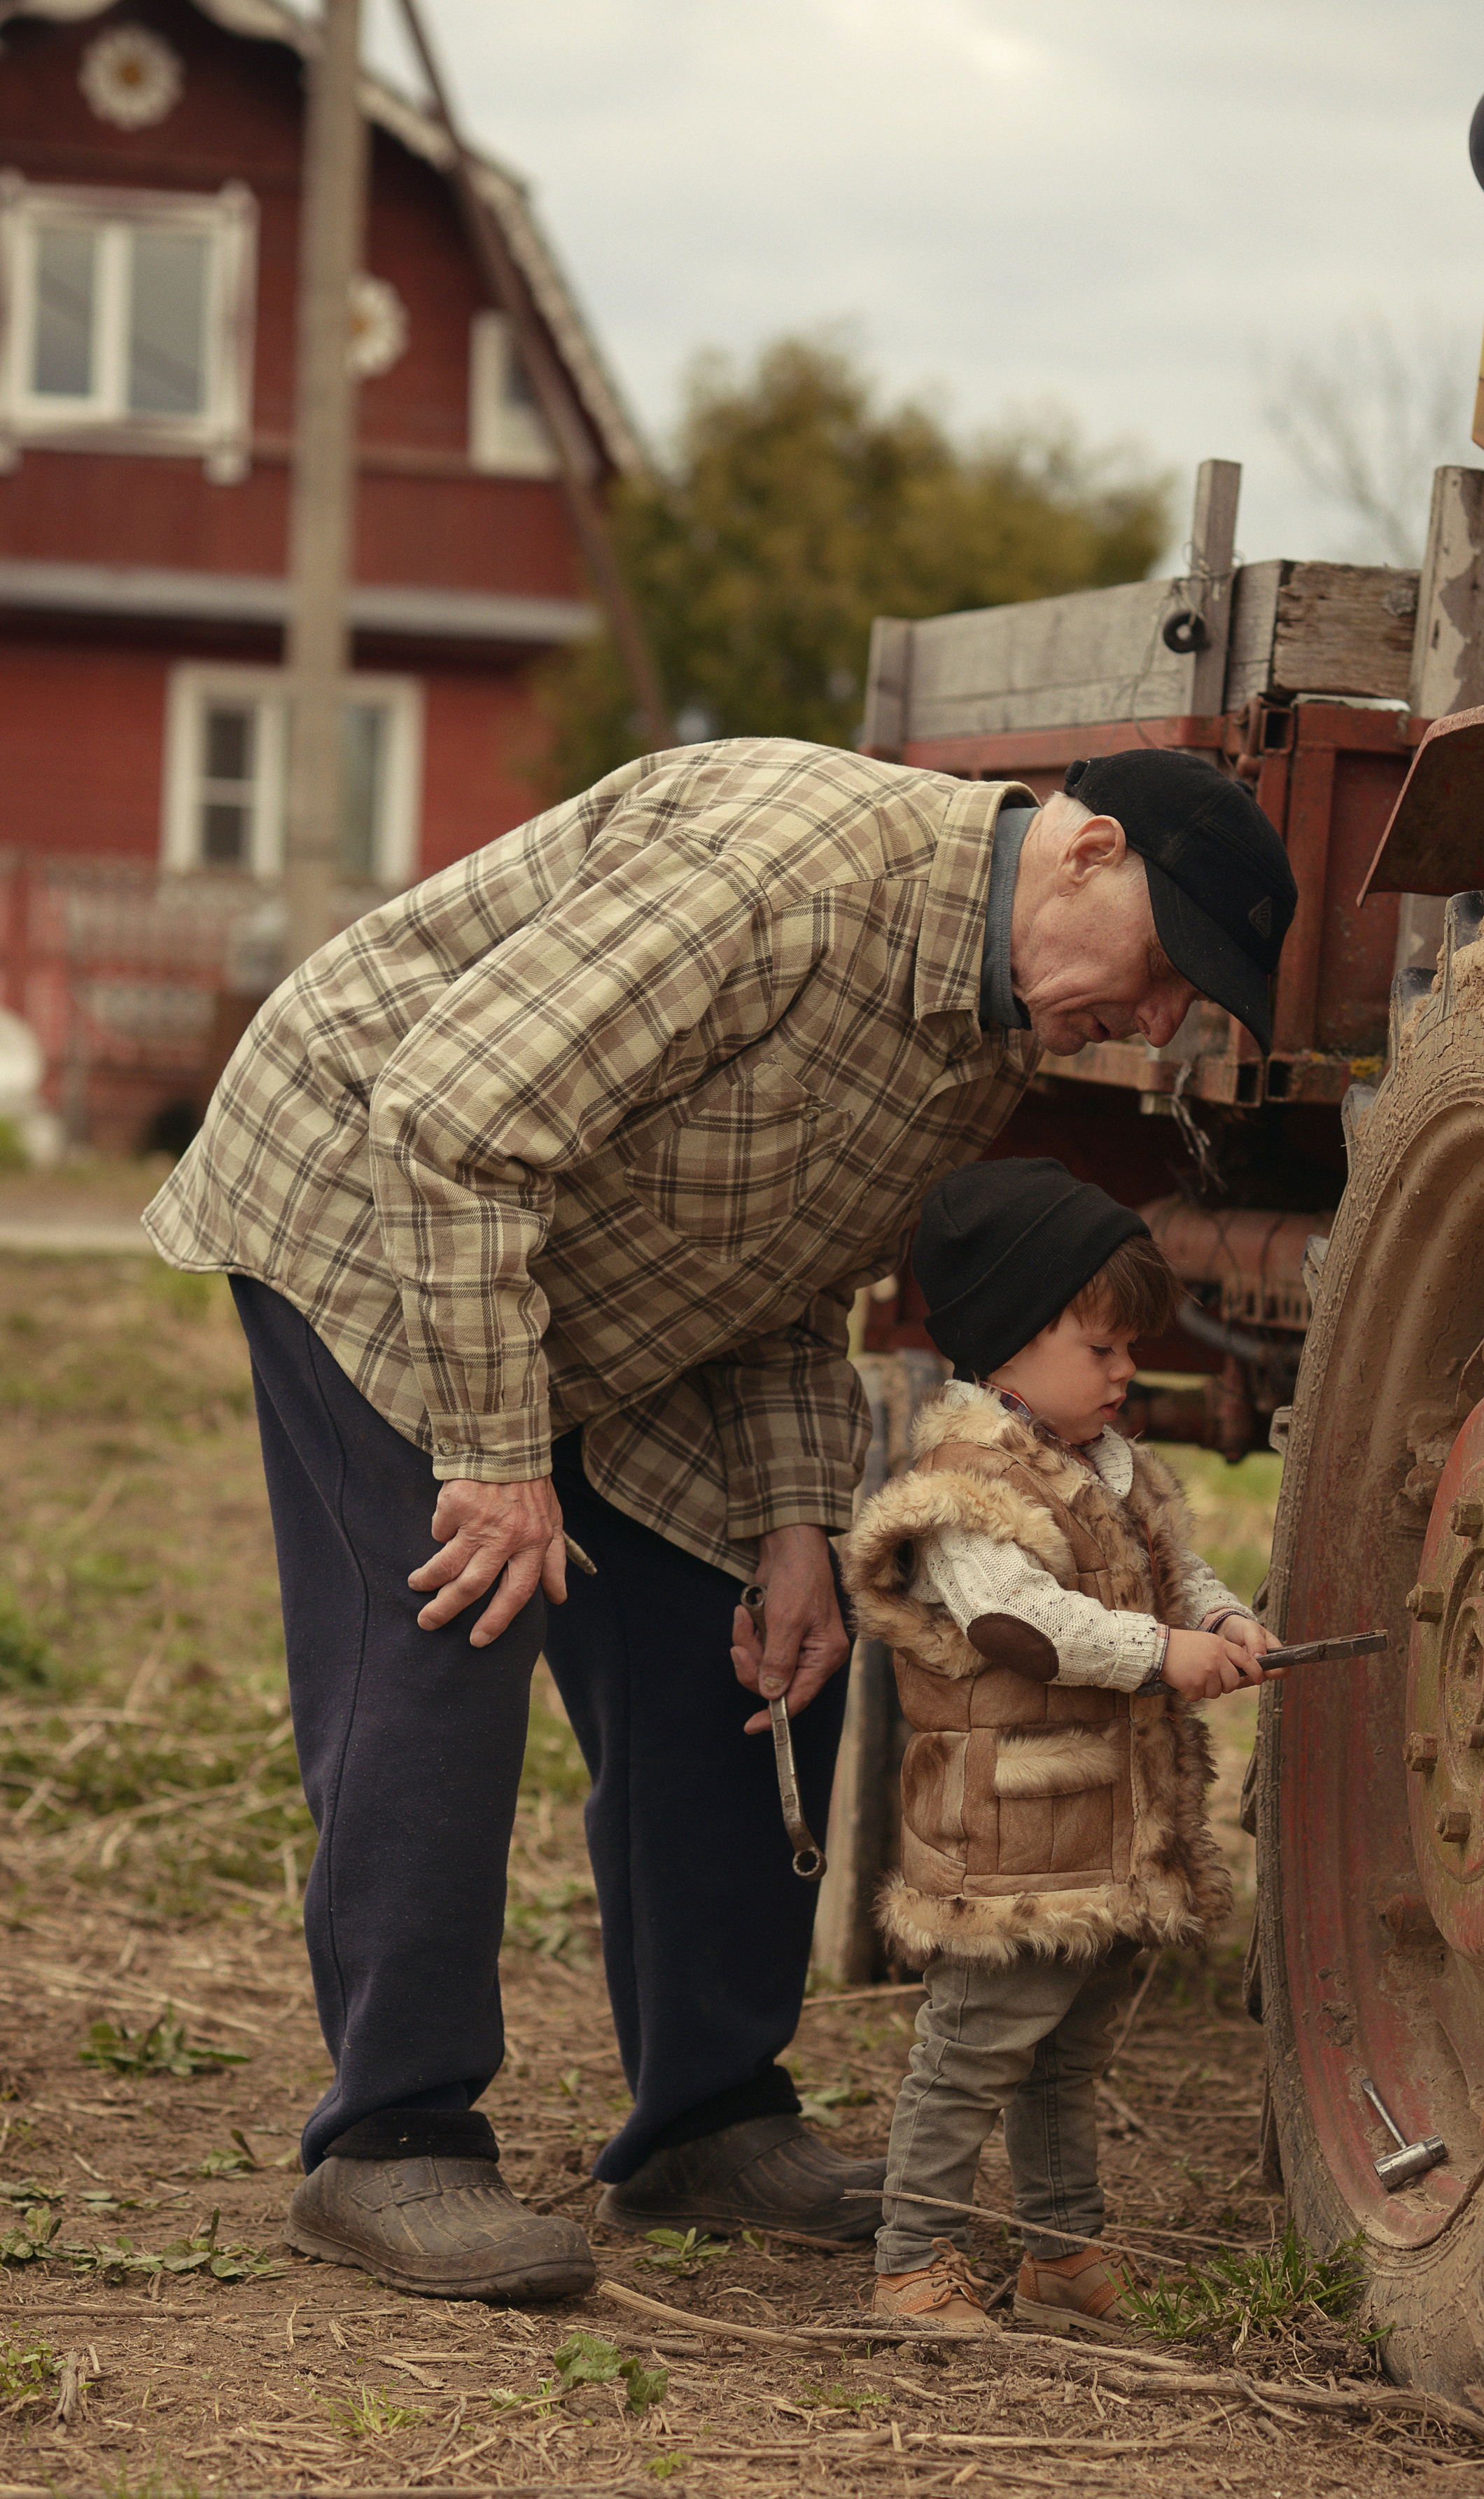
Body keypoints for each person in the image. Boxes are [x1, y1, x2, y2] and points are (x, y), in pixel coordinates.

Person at [143, 737, 1298, 2302]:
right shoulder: (788, 880)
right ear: (1088, 852)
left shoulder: (986, 1028)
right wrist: (494, 1454)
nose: (1160, 1024)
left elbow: (785, 1272)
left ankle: (706, 2124)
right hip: (376, 1205)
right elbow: (451, 1121)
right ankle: (391, 2141)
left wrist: (792, 1527)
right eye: (1167, 967)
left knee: (747, 1658)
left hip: (598, 1273)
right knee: (456, 1625)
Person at [840, 1158, 1277, 2332]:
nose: (1130, 1368)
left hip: (1093, 1829)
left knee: (1066, 2055)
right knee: (974, 2049)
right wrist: (1157, 1654)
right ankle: (912, 2260)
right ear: (1012, 1344)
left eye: (1131, 1346)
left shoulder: (1109, 1469)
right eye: (1105, 1347)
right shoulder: (968, 1486)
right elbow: (1017, 1622)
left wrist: (1221, 1616)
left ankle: (1060, 2252)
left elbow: (1175, 1570)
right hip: (1006, 1837)